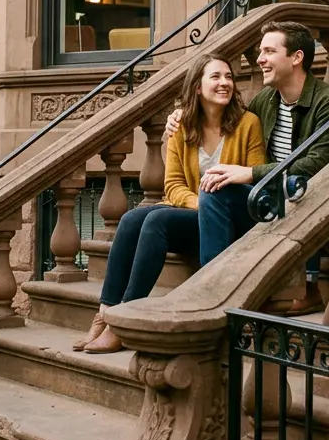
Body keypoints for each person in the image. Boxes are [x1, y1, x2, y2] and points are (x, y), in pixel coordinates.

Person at [76, 54, 266, 354]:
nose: (224, 83)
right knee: (130, 219)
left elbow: (254, 179)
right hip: (198, 212)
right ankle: (104, 312)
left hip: (230, 218)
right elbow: (173, 186)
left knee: (156, 221)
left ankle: (123, 321)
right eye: (215, 77)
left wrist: (212, 204)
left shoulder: (247, 124)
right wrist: (202, 203)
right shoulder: (181, 128)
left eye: (228, 77)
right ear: (197, 88)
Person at [165, 20, 329, 313]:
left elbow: (316, 166)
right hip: (271, 202)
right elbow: (224, 115)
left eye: (269, 51)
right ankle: (214, 289)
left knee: (232, 192)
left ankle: (307, 285)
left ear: (296, 58)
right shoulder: (265, 101)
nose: (260, 59)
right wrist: (183, 114)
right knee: (207, 194)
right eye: (260, 51)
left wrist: (251, 173)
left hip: (313, 202)